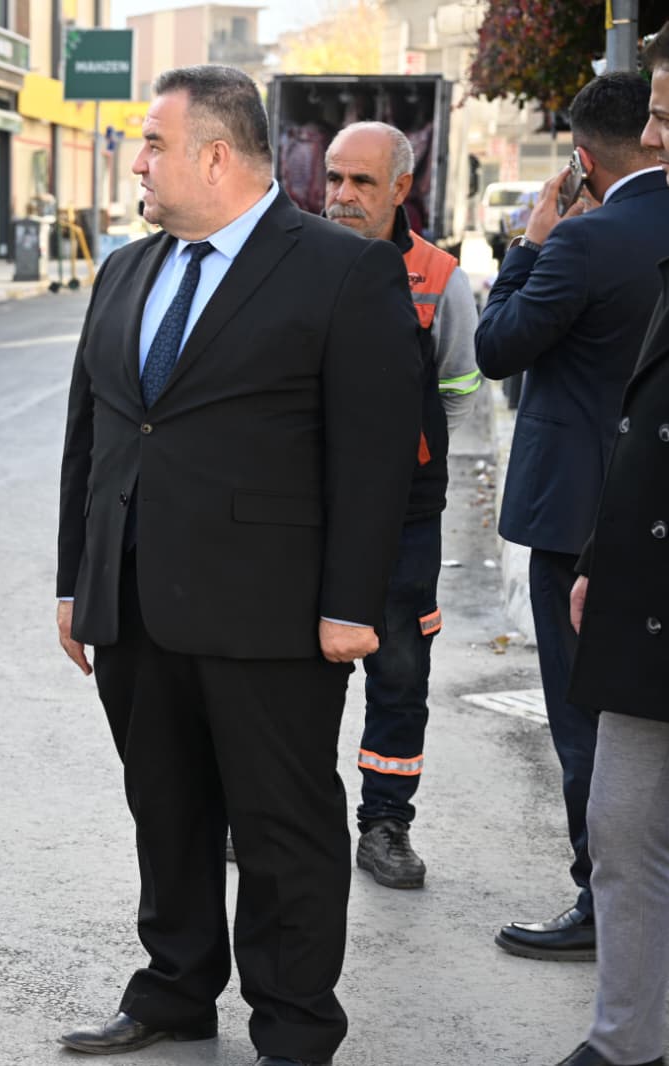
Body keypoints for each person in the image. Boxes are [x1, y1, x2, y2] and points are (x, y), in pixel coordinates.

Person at [54, 65, 419, 1066]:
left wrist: (352, 604)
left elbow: (376, 457)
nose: (137, 162)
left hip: (273, 614)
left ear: (216, 156)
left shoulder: (341, 270)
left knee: (281, 826)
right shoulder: (125, 269)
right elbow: (93, 437)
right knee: (164, 810)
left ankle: (294, 1026)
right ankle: (175, 989)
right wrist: (74, 581)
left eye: (154, 144)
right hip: (134, 602)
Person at [475, 70, 669, 964]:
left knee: (588, 721)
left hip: (578, 521)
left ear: (581, 161)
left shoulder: (582, 242)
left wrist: (529, 243)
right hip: (649, 509)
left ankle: (600, 903)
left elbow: (495, 347)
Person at [549, 35, 669, 1066]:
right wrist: (601, 556)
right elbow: (645, 427)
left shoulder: (589, 238)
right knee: (621, 824)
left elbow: (499, 344)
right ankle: (624, 1043)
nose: (654, 140)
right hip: (638, 581)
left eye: (667, 118)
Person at [323, 120, 482, 889]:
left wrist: (403, 458)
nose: (341, 195)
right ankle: (277, 811)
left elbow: (457, 388)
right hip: (306, 509)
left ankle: (384, 824)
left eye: (360, 181)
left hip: (402, 516)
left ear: (400, 188)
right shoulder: (293, 264)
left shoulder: (438, 276)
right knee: (290, 671)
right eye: (333, 177)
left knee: (397, 672)